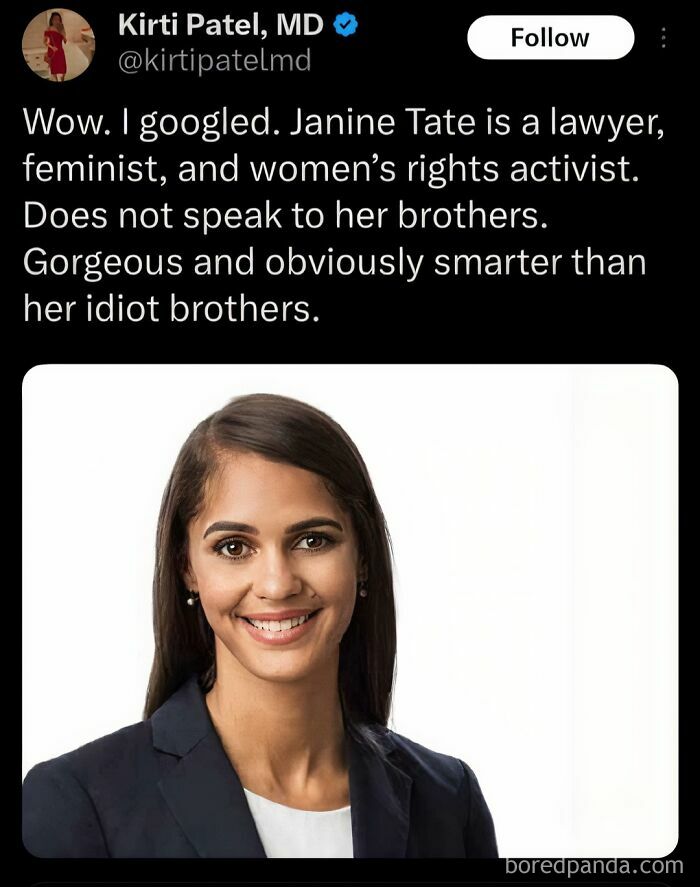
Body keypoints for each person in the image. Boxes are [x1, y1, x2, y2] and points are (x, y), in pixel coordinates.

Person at [22, 392, 499, 858]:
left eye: (313, 540)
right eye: (234, 547)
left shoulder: (449, 802)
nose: (277, 583)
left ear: (364, 559)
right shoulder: (76, 803)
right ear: (187, 567)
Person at [44, 12, 66, 82]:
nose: (56, 21)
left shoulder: (61, 28)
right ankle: (56, 80)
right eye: (55, 19)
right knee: (54, 69)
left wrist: (62, 33)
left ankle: (62, 79)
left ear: (60, 20)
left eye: (58, 19)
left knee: (63, 69)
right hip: (52, 51)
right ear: (51, 20)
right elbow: (44, 42)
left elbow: (65, 41)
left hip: (60, 51)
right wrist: (51, 47)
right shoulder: (48, 29)